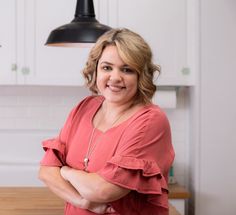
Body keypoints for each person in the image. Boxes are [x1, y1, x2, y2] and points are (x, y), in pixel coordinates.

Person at [38, 28, 175, 215]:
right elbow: (46, 171)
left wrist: (66, 172)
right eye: (107, 67)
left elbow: (103, 190)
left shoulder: (150, 121)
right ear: (95, 70)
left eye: (126, 69)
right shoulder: (84, 108)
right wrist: (83, 202)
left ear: (141, 75)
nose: (115, 77)